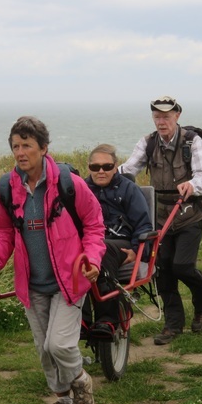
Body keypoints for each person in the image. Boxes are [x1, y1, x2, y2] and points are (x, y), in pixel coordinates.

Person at [0, 116, 105, 404]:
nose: (20, 152)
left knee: (58, 345)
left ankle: (81, 382)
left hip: (70, 279)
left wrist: (93, 260)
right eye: (15, 146)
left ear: (44, 148)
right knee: (43, 351)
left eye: (27, 146)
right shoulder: (7, 188)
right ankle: (65, 399)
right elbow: (5, 231)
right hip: (32, 283)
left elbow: (95, 225)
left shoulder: (68, 183)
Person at [120, 96, 202, 345]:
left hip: (189, 215)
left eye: (166, 117)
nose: (161, 122)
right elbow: (129, 169)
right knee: (161, 271)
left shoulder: (193, 141)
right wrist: (105, 173)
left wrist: (191, 184)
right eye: (157, 117)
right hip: (159, 218)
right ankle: (173, 325)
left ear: (177, 117)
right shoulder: (148, 143)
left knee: (182, 266)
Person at [84, 143, 153, 338]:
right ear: (89, 167)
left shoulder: (129, 189)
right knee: (72, 256)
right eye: (95, 167)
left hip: (118, 243)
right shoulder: (80, 190)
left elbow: (144, 225)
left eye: (106, 166)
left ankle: (107, 320)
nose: (101, 171)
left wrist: (136, 250)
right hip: (89, 242)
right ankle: (82, 321)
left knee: (101, 250)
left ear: (115, 167)